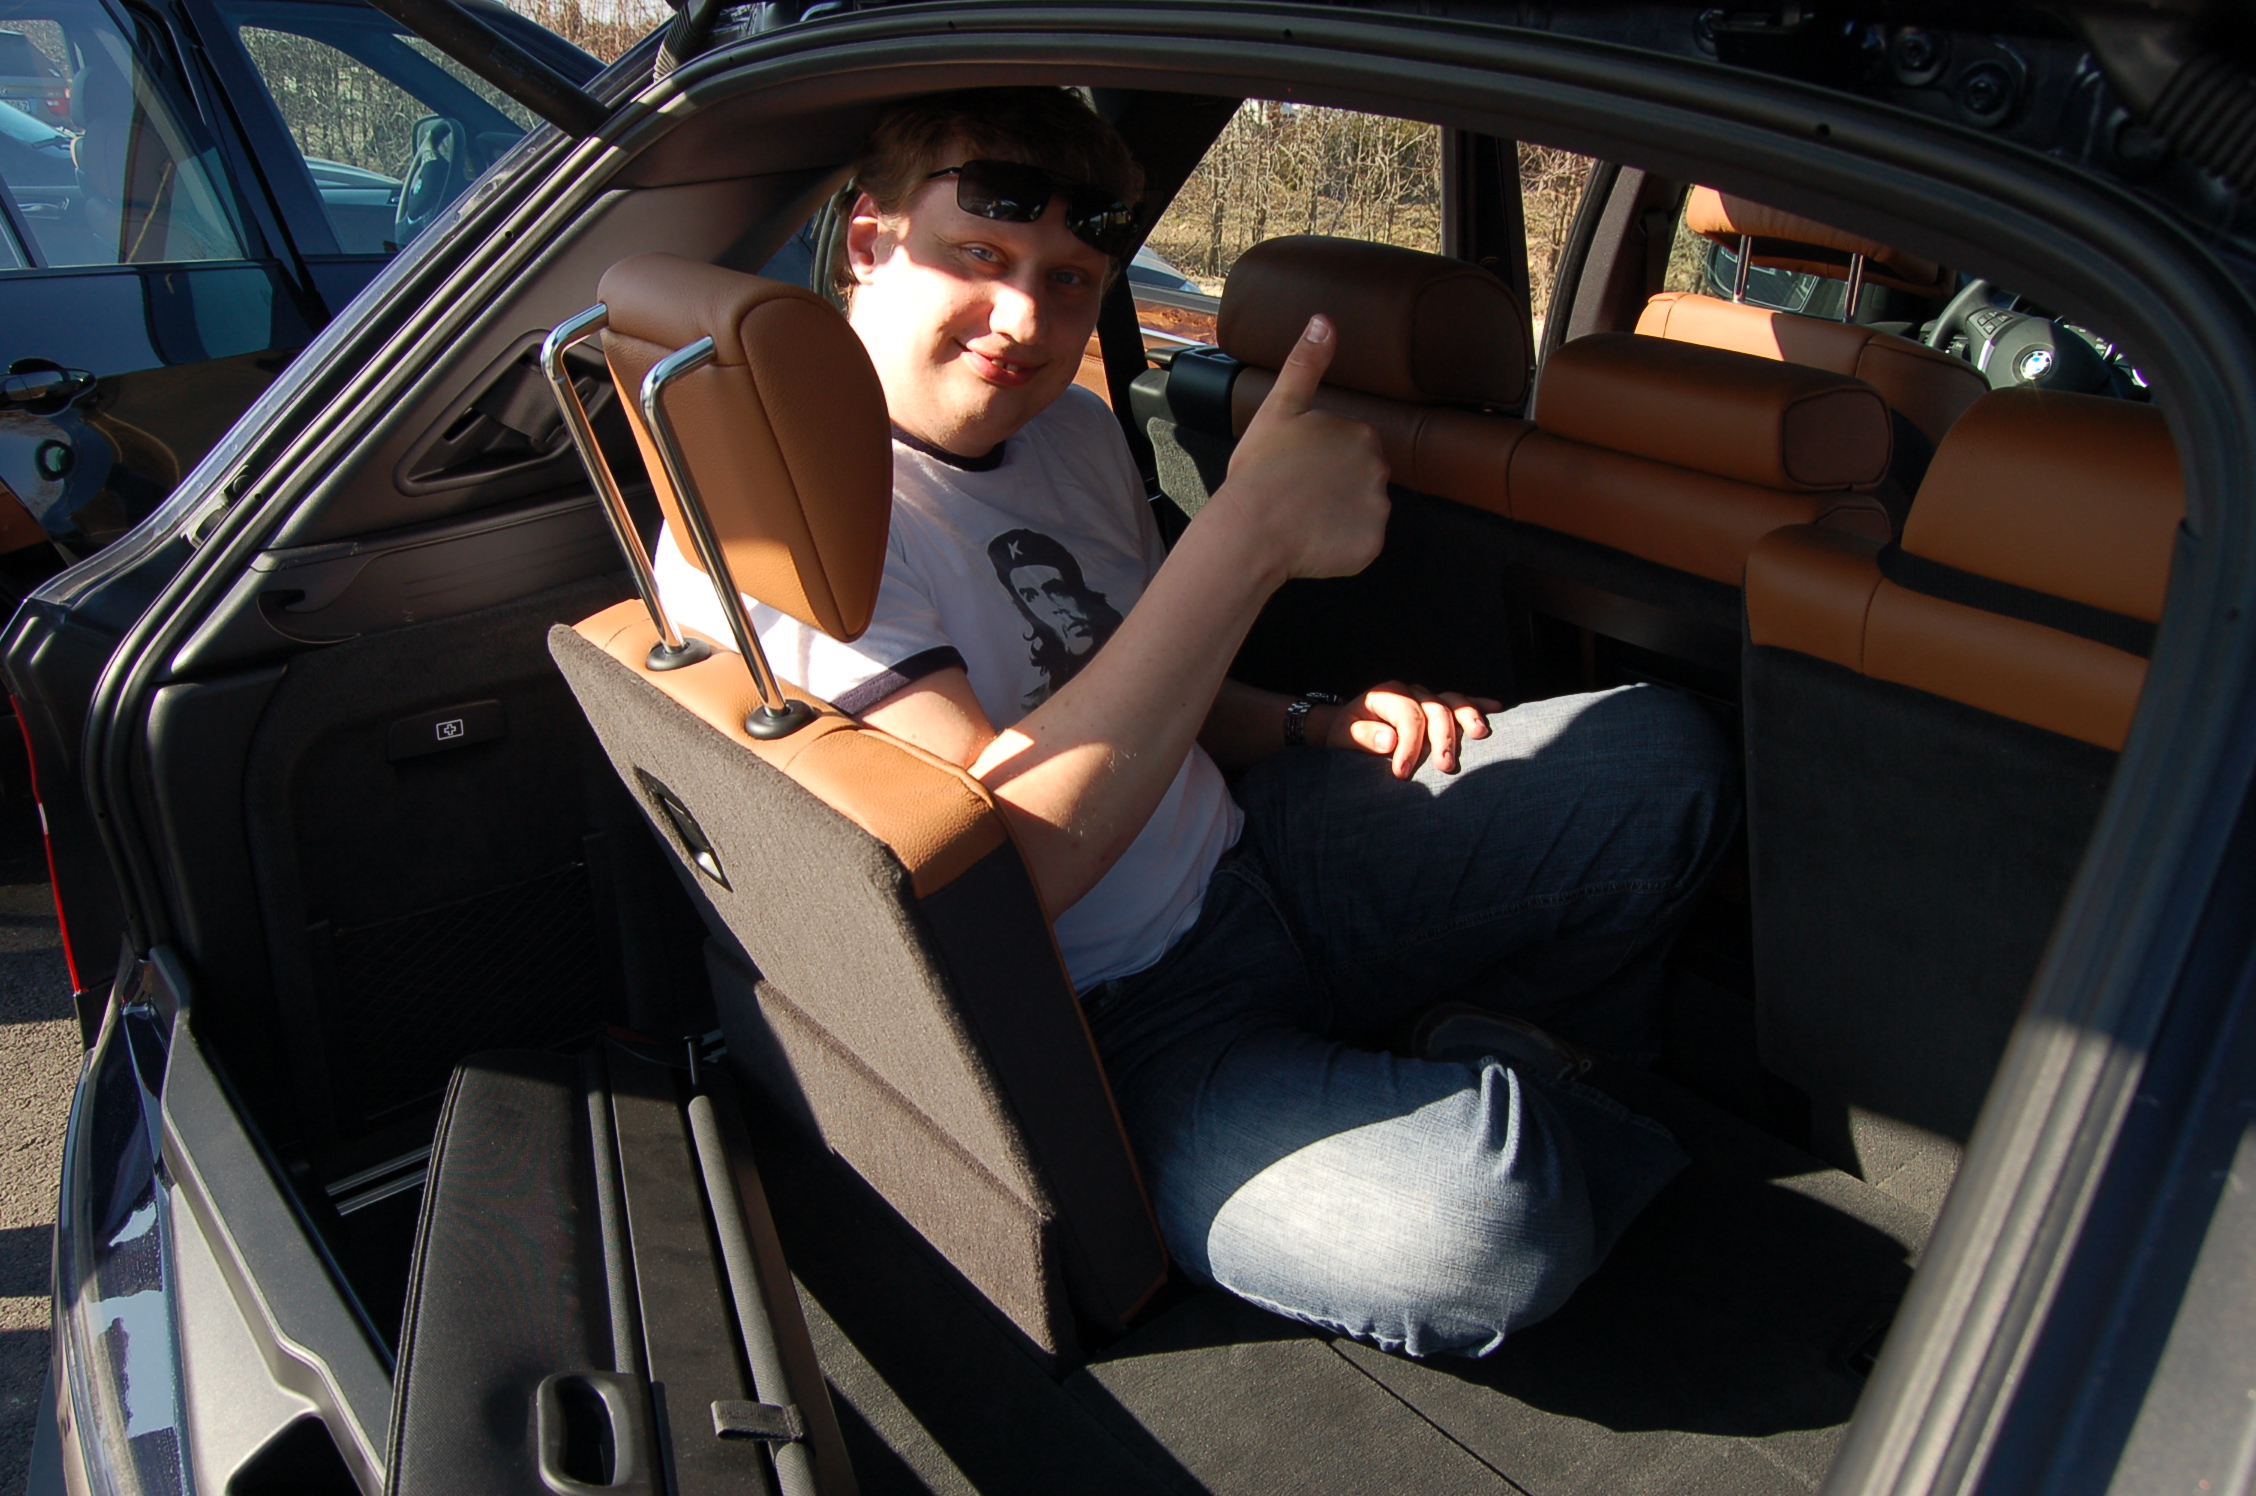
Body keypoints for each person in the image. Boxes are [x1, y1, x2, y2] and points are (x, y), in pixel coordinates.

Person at [655, 86, 1736, 1358]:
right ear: (871, 243)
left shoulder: (1067, 428)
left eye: (1070, 277)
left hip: (1257, 851)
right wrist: (1247, 538)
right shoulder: (790, 525)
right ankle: (1510, 1091)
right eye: (982, 258)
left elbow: (1127, 681)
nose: (1026, 319)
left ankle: (1471, 1052)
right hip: (1117, 1020)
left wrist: (1311, 724)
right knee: (1484, 1225)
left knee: (1661, 761)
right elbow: (1004, 873)